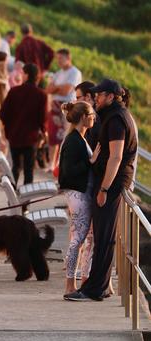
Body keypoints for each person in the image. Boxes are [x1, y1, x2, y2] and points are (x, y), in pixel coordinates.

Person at [65, 79, 138, 301]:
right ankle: (102, 286)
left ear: (110, 96)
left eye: (98, 95)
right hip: (109, 182)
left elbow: (116, 157)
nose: (94, 98)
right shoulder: (114, 115)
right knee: (103, 236)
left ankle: (94, 289)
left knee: (104, 236)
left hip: (112, 184)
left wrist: (104, 188)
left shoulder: (116, 119)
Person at [58, 101, 99, 295]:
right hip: (78, 195)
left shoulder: (78, 138)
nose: (94, 117)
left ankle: (81, 280)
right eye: (91, 114)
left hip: (82, 194)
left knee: (82, 239)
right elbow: (68, 171)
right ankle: (69, 285)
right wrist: (90, 161)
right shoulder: (74, 140)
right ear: (83, 116)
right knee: (77, 240)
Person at [0, 64, 48, 185]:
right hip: (31, 137)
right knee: (29, 170)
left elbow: (3, 113)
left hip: (14, 135)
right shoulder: (41, 94)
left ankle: (12, 198)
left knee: (15, 167)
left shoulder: (14, 91)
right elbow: (42, 118)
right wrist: (43, 131)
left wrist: (8, 128)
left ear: (26, 75)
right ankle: (26, 202)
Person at [46, 49, 82, 173]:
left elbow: (66, 91)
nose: (58, 61)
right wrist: (58, 88)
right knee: (52, 135)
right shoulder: (58, 73)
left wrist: (56, 88)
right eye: (57, 58)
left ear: (68, 57)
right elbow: (48, 89)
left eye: (61, 58)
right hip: (55, 106)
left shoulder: (75, 72)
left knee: (65, 136)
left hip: (68, 107)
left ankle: (62, 164)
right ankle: (51, 164)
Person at [75, 81, 100, 150]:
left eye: (78, 98)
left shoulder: (90, 118)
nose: (76, 102)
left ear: (88, 97)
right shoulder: (95, 115)